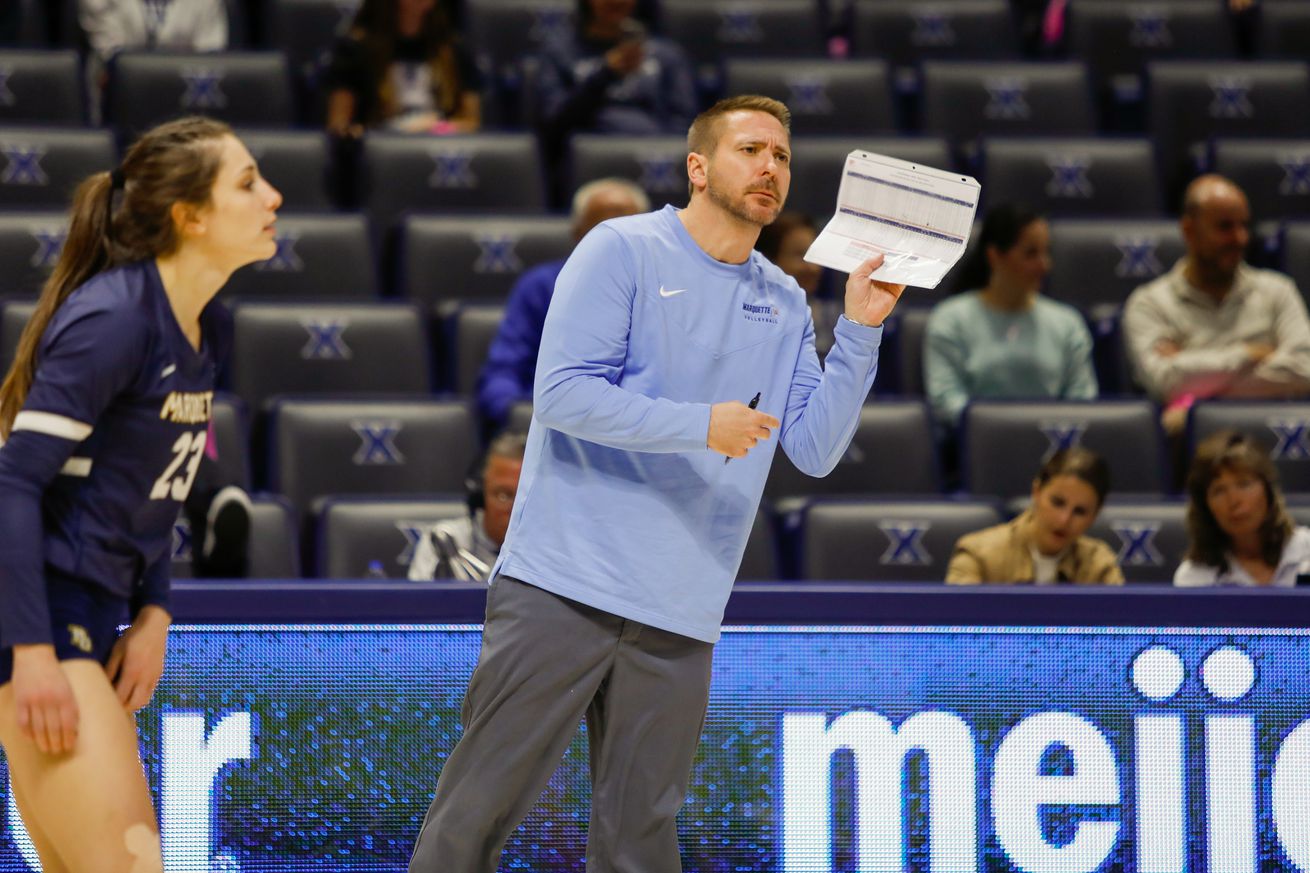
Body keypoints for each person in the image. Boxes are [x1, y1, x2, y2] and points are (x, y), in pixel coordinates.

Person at [407, 94, 905, 872]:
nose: (770, 166)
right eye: (750, 150)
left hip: (681, 609)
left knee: (641, 841)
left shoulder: (782, 299)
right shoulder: (623, 249)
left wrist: (862, 331)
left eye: (781, 155)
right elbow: (565, 394)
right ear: (698, 167)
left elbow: (811, 449)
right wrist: (699, 425)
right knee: (473, 816)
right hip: (563, 584)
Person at [0, 116, 281, 872]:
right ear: (190, 216)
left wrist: (155, 608)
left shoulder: (205, 325)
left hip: (89, 608)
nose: (274, 197)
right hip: (40, 610)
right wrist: (29, 650)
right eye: (249, 182)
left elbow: (164, 481)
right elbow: (13, 482)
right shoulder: (115, 319)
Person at [1123, 175, 1310, 434]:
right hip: (1194, 446)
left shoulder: (1277, 290)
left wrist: (1195, 388)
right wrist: (1250, 354)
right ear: (1189, 230)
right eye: (1225, 227)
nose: (1240, 238)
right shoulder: (1149, 303)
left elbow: (1305, 366)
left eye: (1244, 225)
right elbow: (1164, 382)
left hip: (1269, 432)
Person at [476, 177, 649, 429]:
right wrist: (520, 415)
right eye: (603, 228)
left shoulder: (667, 290)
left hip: (638, 428)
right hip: (551, 425)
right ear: (577, 233)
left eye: (627, 228)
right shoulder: (541, 286)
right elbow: (504, 371)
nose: (616, 239)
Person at [924, 203, 1098, 428]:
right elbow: (945, 401)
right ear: (995, 256)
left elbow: (1082, 399)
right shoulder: (950, 319)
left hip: (1055, 450)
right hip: (981, 451)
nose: (1045, 265)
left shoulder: (1067, 322)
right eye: (1031, 254)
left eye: (1046, 252)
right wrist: (1006, 433)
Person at [946, 447, 1124, 584]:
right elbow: (957, 625)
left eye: (1080, 511)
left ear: (1095, 515)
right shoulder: (978, 554)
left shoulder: (1100, 565)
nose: (1064, 520)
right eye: (1057, 503)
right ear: (1036, 491)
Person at [534, 0, 698, 142]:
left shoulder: (667, 55)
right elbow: (553, 123)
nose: (617, 1)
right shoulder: (559, 53)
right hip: (589, 158)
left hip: (653, 156)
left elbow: (684, 124)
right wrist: (606, 74)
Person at [324, 0, 481, 137]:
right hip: (380, 155)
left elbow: (471, 123)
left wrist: (436, 128)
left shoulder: (453, 49)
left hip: (436, 145)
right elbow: (339, 124)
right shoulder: (356, 49)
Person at [1174, 430, 1310, 587]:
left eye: (1244, 484)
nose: (1234, 501)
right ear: (1206, 506)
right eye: (1219, 491)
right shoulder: (1194, 577)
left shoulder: (1306, 549)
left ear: (1268, 492)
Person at [408, 430, 526, 581]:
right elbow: (421, 603)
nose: (516, 510)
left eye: (527, 499)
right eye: (504, 496)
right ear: (480, 497)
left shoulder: (555, 549)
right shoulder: (444, 542)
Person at [755, 210, 837, 356]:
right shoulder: (755, 317)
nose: (813, 268)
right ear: (769, 260)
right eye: (800, 255)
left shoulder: (829, 319)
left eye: (814, 256)